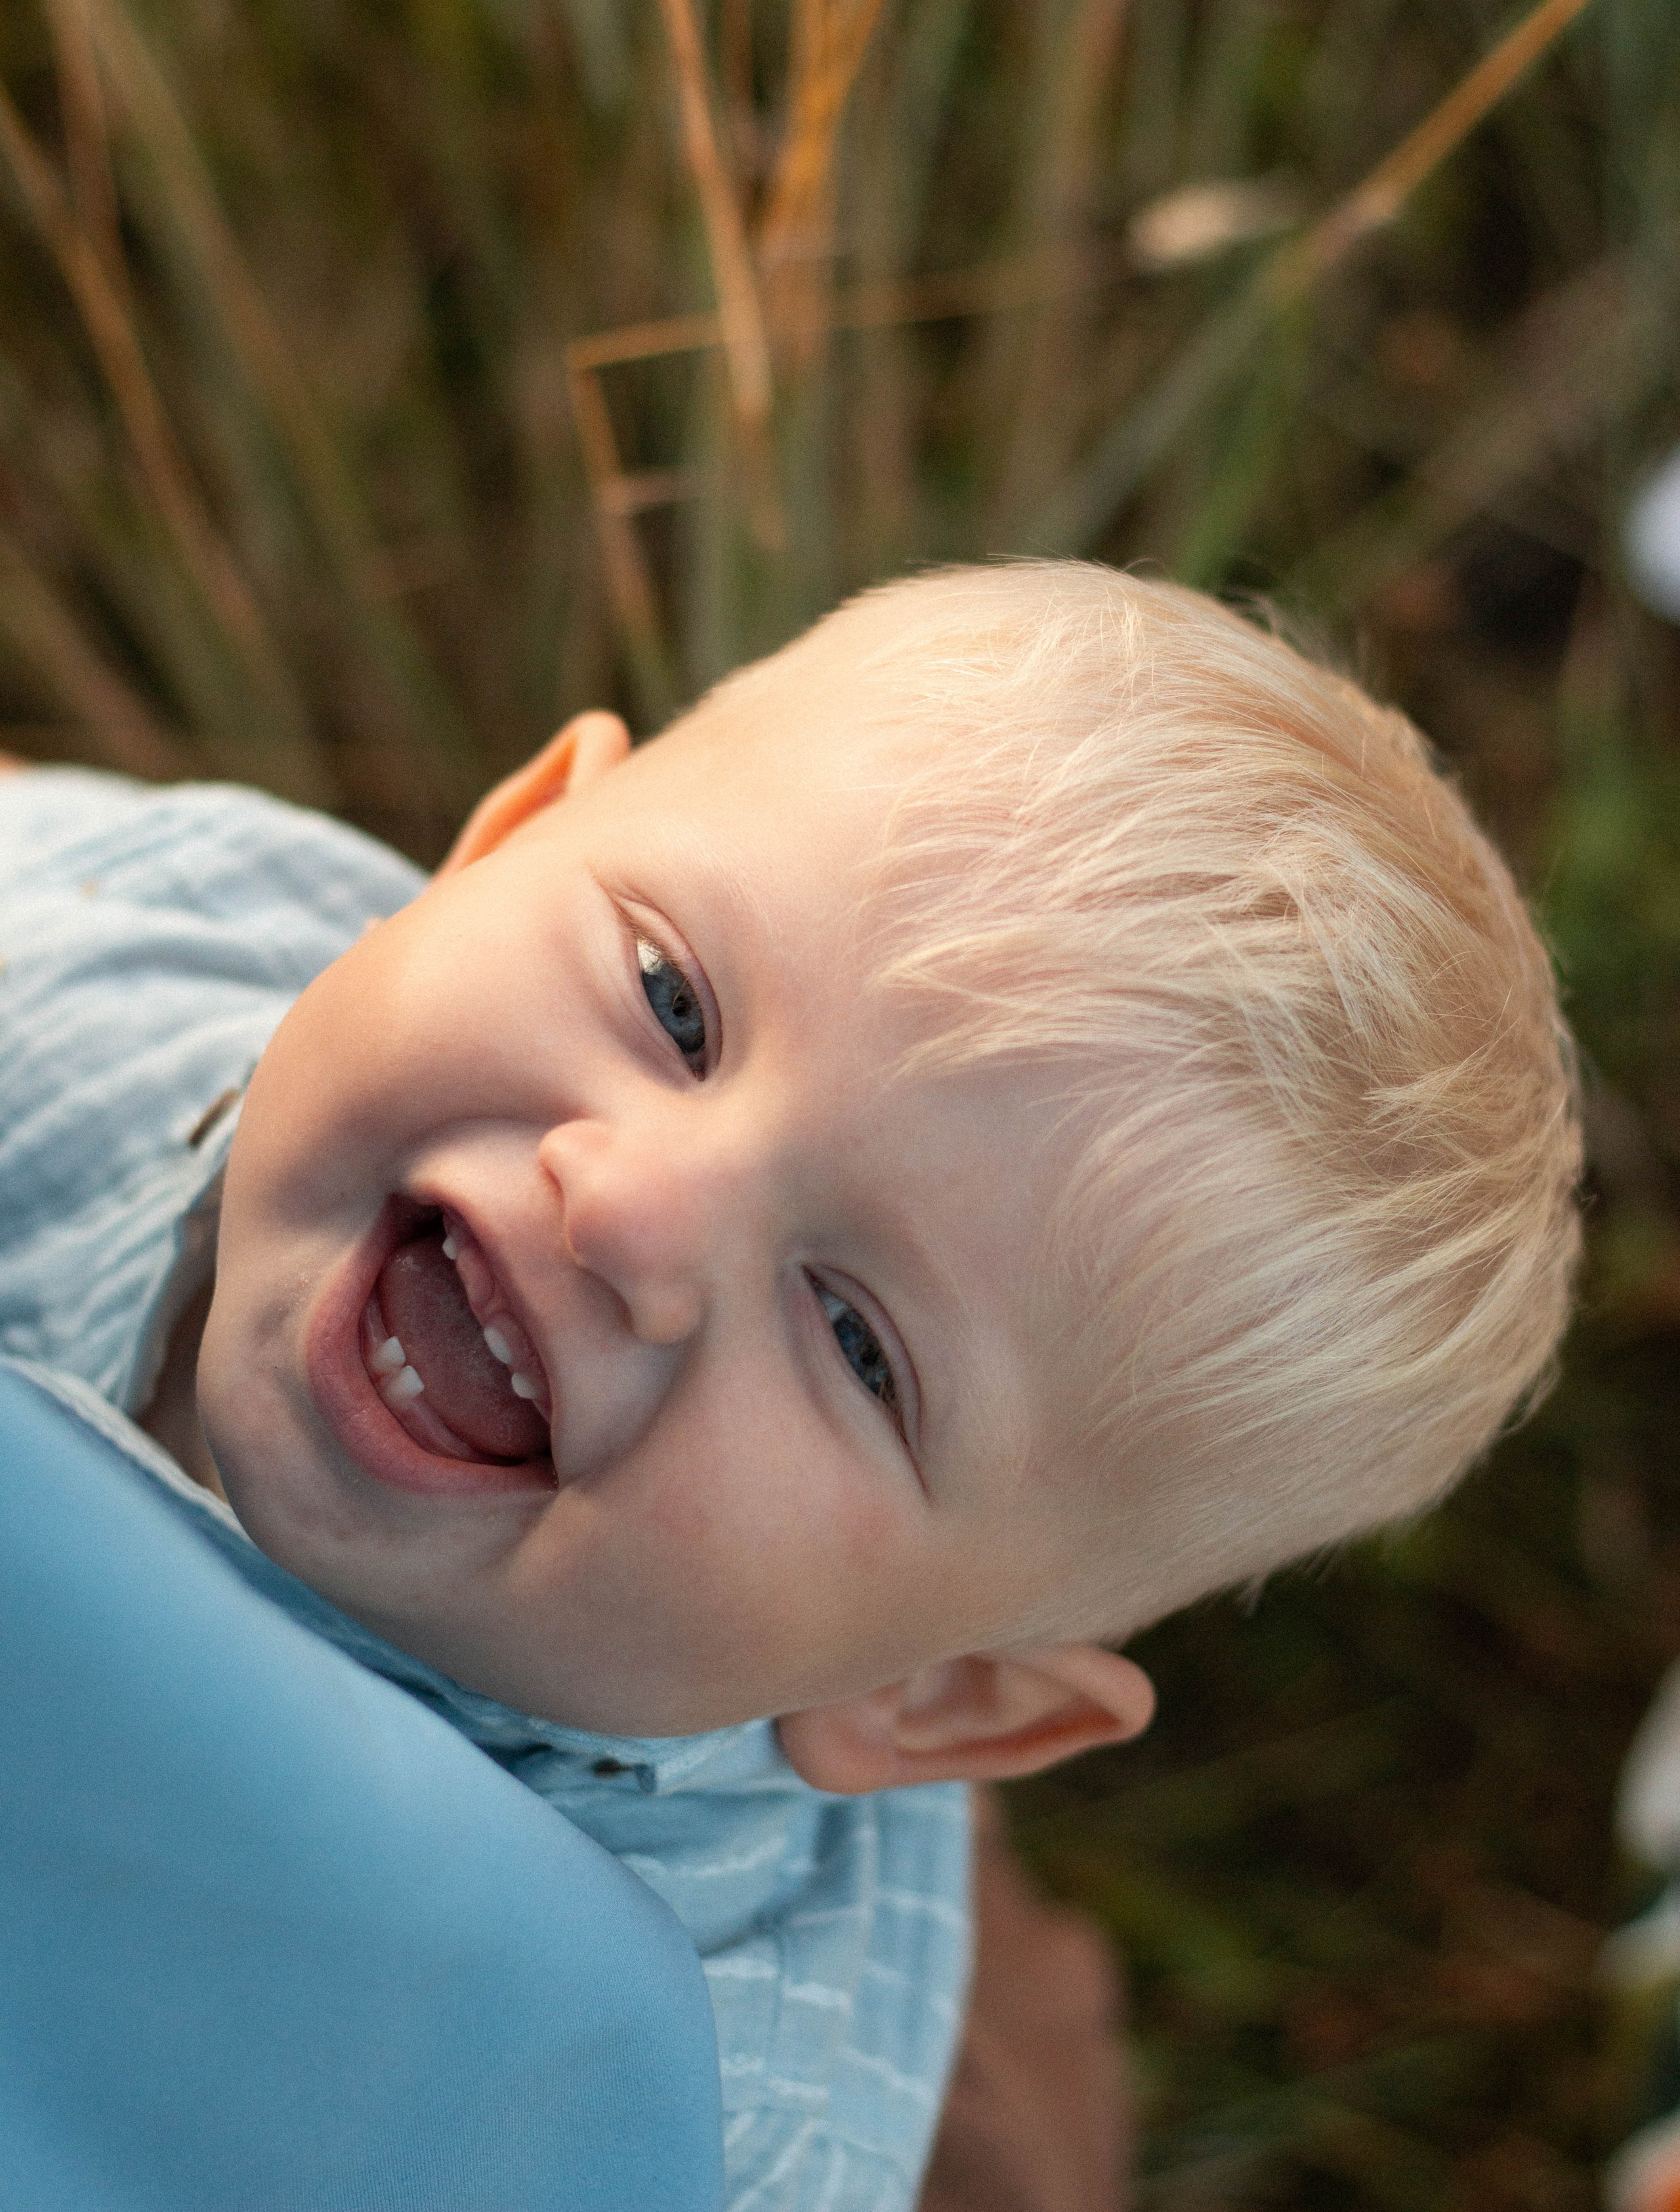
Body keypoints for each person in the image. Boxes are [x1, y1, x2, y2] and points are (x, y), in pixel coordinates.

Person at [0, 559, 1581, 2211]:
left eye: (853, 1341)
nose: (623, 1208)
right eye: (674, 1003)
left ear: (941, 1700)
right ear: (509, 832)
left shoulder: (653, 2112)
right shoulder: (141, 952)